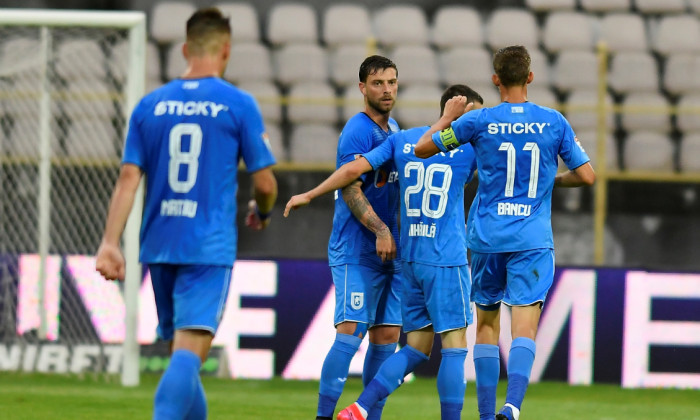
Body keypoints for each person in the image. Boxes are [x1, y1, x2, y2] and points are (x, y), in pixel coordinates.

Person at [95, 8, 277, 420]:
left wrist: (110, 243)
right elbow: (265, 184)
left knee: (184, 354)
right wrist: (262, 213)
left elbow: (127, 178)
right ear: (226, 50)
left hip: (159, 246)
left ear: (185, 48)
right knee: (188, 357)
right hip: (207, 247)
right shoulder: (237, 104)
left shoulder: (150, 105)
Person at [415, 45, 596, 420]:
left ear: (496, 79)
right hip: (531, 240)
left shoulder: (477, 121)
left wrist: (447, 118)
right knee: (524, 326)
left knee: (486, 323)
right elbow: (587, 175)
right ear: (530, 77)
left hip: (487, 238)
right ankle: (512, 405)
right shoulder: (553, 121)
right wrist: (550, 182)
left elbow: (423, 148)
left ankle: (484, 415)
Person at [285, 84, 484, 420]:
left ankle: (361, 407)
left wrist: (311, 193)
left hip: (410, 259)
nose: (480, 125)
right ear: (457, 113)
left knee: (415, 346)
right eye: (475, 116)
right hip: (446, 259)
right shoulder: (471, 149)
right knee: (454, 348)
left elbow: (353, 170)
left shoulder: (401, 139)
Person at [305, 55, 402, 420]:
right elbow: (350, 186)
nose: (387, 89)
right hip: (357, 248)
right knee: (350, 331)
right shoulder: (357, 130)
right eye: (378, 83)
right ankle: (323, 416)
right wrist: (379, 229)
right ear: (362, 88)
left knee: (387, 338)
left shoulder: (394, 129)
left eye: (392, 82)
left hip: (390, 253)